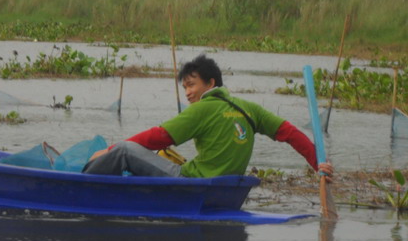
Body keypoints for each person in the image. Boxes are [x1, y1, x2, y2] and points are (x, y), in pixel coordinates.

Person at [82, 54, 334, 180]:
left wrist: (108, 151)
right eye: (185, 88)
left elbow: (157, 137)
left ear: (211, 82)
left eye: (192, 85)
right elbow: (290, 133)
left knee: (125, 150)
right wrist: (317, 162)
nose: (189, 93)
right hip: (224, 185)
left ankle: (82, 182)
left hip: (192, 181)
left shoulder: (203, 109)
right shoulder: (249, 107)